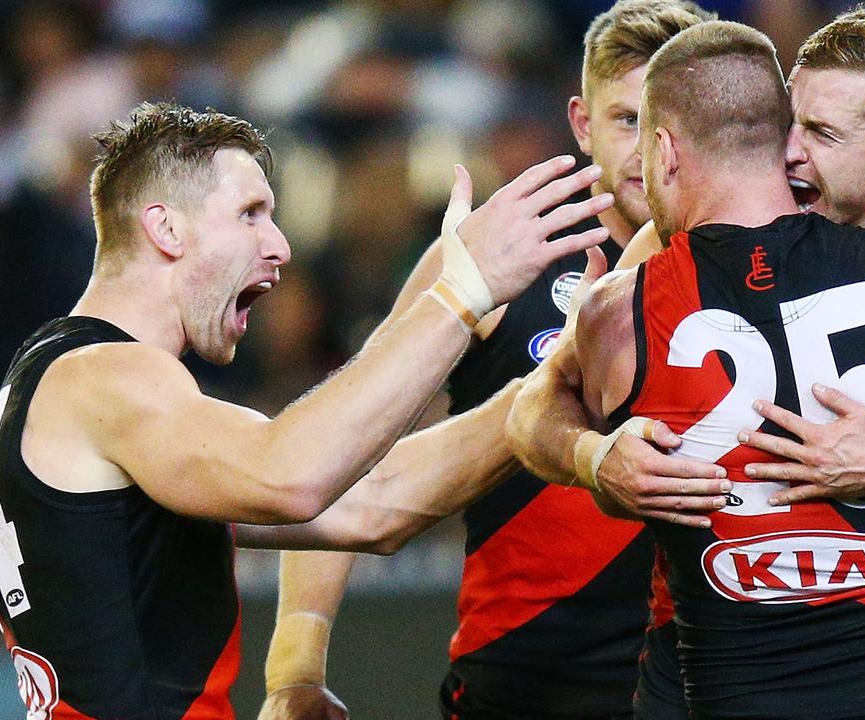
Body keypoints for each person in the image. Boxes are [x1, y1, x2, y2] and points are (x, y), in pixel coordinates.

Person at [507, 8, 865, 716]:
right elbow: (539, 401)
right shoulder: (667, 253)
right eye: (790, 123)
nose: (791, 154)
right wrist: (594, 456)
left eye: (825, 134)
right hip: (703, 663)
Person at [0, 101, 610, 720]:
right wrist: (465, 292)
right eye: (250, 214)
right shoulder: (101, 375)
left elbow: (374, 504)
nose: (280, 246)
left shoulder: (81, 387)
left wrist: (550, 379)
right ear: (166, 229)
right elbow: (291, 476)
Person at [254, 4, 720, 720]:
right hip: (520, 689)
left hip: (712, 683)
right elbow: (344, 448)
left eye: (671, 122)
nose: (648, 151)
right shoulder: (497, 256)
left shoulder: (763, 267)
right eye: (626, 120)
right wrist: (294, 668)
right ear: (580, 123)